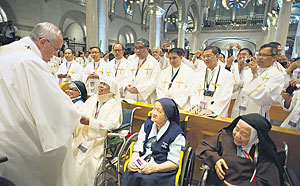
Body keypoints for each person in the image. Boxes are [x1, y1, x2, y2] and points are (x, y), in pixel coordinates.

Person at [0, 22, 81, 186]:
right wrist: (75, 115)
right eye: (56, 49)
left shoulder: (7, 53)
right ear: (43, 42)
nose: (56, 54)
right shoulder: (29, 62)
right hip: (22, 142)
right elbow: (54, 106)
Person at [196, 113, 282, 186]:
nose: (237, 135)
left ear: (255, 138)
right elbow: (204, 146)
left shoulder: (263, 154)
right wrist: (215, 159)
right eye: (236, 129)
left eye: (244, 133)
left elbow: (268, 182)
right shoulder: (225, 137)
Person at [121, 98, 185, 186]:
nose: (154, 113)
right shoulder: (147, 125)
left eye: (158, 111)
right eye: (153, 109)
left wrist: (154, 168)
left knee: (145, 179)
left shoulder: (175, 133)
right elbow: (138, 147)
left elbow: (173, 163)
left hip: (162, 168)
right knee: (130, 174)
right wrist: (133, 161)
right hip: (143, 162)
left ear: (167, 115)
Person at [72, 77, 122, 186]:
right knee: (70, 153)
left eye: (104, 84)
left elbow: (113, 124)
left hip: (99, 140)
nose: (100, 86)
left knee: (88, 163)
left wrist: (91, 122)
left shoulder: (114, 104)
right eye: (100, 83)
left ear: (111, 89)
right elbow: (81, 113)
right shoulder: (92, 100)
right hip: (83, 137)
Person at [231, 44, 284, 119]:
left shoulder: (276, 75)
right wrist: (239, 70)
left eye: (264, 55)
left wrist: (255, 75)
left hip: (256, 113)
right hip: (239, 109)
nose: (260, 58)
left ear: (274, 58)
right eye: (259, 55)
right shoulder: (249, 70)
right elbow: (234, 87)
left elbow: (265, 98)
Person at [190, 46, 234, 117]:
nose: (205, 59)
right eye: (203, 57)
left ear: (217, 56)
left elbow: (225, 96)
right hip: (198, 112)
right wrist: (195, 106)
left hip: (215, 113)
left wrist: (211, 110)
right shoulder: (199, 73)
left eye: (208, 56)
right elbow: (193, 91)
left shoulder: (227, 75)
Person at [123, 38, 160, 104]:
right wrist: (127, 85)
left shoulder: (154, 63)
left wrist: (139, 89)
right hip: (130, 95)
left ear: (147, 49)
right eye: (136, 48)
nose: (137, 51)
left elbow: (154, 82)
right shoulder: (132, 61)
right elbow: (126, 75)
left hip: (144, 97)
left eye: (140, 48)